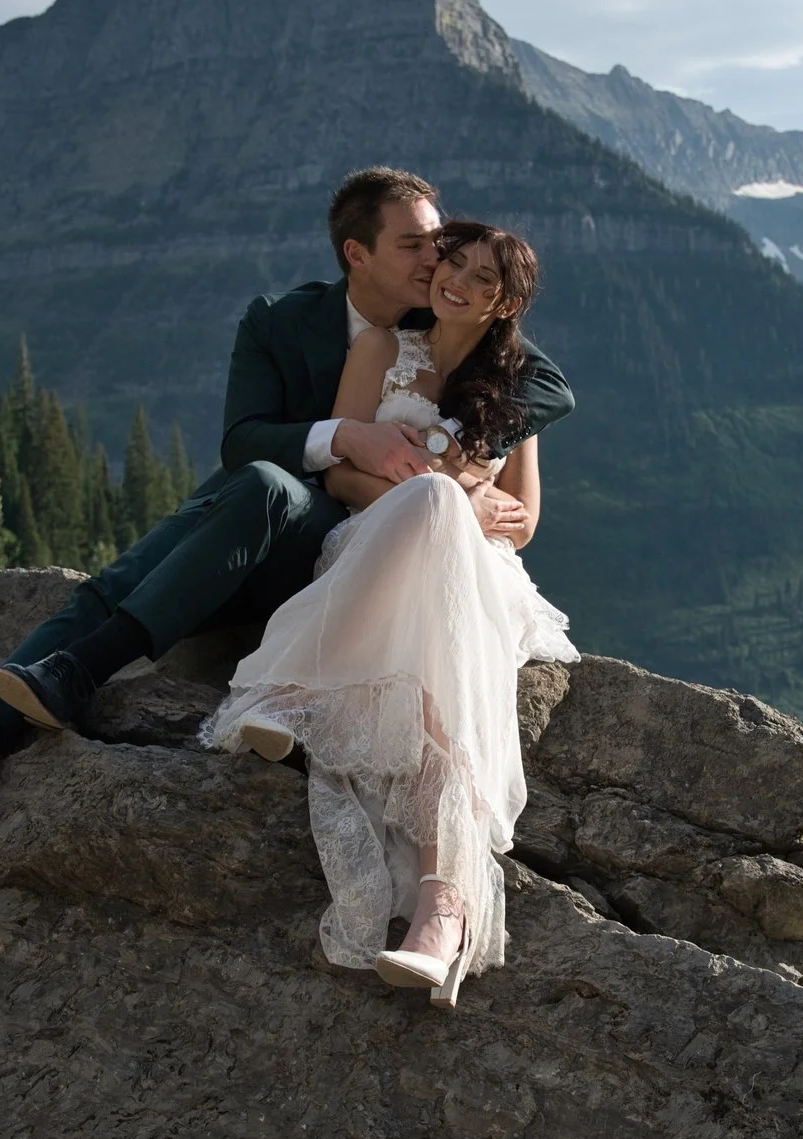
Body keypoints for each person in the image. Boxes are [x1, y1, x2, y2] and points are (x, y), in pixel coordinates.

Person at [0, 168, 573, 831]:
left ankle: (72, 676)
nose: (435, 259)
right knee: (118, 580)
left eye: (441, 244)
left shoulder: (461, 335)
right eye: (416, 244)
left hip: (351, 541)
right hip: (256, 517)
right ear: (358, 253)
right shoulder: (280, 323)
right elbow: (245, 438)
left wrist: (454, 484)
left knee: (259, 489)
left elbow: (550, 390)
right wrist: (345, 434)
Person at [205, 221, 574, 1008]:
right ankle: (441, 907)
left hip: (475, 570)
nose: (459, 282)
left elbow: (526, 519)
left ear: (504, 302)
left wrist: (466, 512)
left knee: (440, 646)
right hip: (377, 540)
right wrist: (439, 502)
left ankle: (438, 907)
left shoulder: (515, 387)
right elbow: (342, 478)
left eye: (483, 279)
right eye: (455, 262)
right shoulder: (379, 349)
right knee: (437, 517)